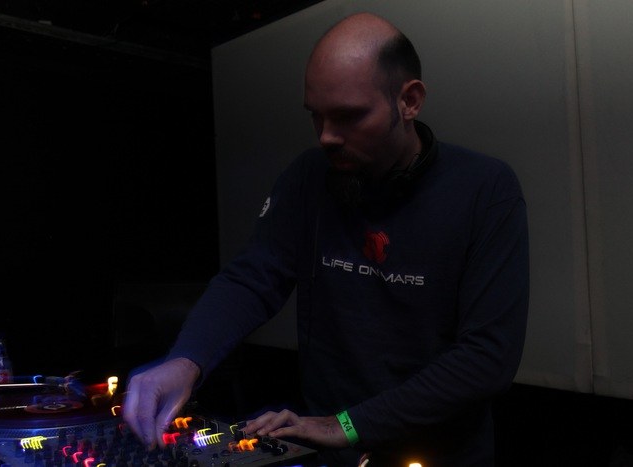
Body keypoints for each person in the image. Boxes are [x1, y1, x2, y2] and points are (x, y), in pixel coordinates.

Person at [122, 11, 529, 467]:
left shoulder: (485, 189)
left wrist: (347, 425)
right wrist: (186, 360)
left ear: (409, 100)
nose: (327, 137)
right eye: (316, 116)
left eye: (349, 116)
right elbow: (253, 279)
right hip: (331, 451)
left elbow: (486, 357)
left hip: (439, 454)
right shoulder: (309, 177)